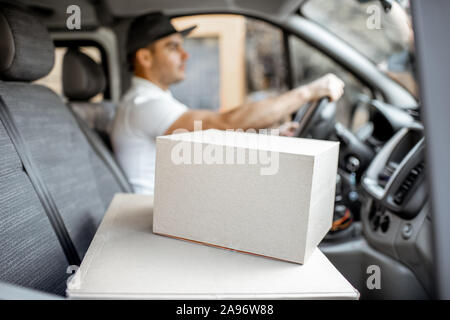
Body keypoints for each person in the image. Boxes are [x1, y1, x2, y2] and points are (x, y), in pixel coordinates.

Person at [111, 13, 345, 195]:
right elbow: (224, 123)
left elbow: (206, 143)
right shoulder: (144, 104)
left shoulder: (152, 100)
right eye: (173, 47)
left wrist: (270, 135)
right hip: (152, 220)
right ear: (144, 57)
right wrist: (307, 92)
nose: (185, 55)